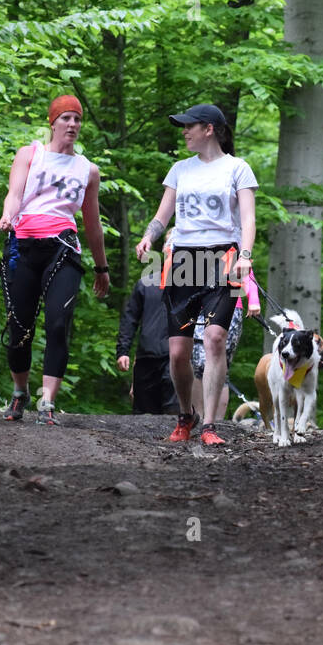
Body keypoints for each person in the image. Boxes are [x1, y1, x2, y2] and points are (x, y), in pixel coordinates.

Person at [134, 103, 257, 446]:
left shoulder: (238, 168)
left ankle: (210, 425)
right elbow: (163, 214)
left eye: (190, 126)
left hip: (225, 259)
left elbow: (248, 220)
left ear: (210, 130)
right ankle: (186, 415)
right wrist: (149, 237)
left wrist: (245, 257)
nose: (184, 131)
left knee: (216, 339)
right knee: (178, 352)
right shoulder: (179, 170)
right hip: (184, 260)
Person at [0, 94, 110, 425]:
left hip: (63, 249)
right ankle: (20, 393)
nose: (73, 124)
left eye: (77, 119)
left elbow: (93, 223)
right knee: (19, 325)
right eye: (66, 118)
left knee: (58, 324)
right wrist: (8, 215)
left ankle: (47, 402)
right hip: (24, 247)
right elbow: (14, 194)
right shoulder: (29, 155)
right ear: (53, 122)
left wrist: (102, 267)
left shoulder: (88, 170)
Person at [191, 270, 260, 421]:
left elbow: (246, 271)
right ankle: (198, 417)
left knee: (219, 364)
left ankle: (215, 422)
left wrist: (253, 299)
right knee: (198, 365)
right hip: (198, 305)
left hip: (231, 305)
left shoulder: (235, 247)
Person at [116, 269, 179, 414]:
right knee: (143, 416)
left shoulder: (192, 286)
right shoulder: (145, 284)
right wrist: (123, 351)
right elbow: (130, 319)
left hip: (175, 358)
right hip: (146, 358)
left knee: (173, 412)